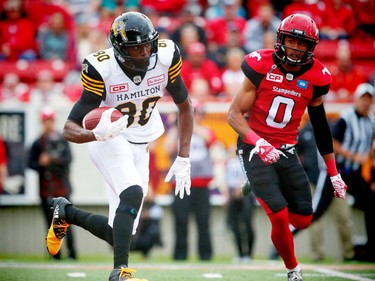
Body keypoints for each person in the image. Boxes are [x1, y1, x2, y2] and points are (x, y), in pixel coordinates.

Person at [45, 11, 193, 281]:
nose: (145, 51)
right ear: (120, 49)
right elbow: (69, 128)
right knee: (133, 193)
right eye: (136, 47)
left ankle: (66, 212)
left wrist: (184, 157)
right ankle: (120, 272)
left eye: (147, 44)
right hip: (109, 138)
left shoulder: (166, 56)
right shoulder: (102, 68)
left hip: (141, 141)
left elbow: (185, 105)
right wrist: (96, 134)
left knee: (121, 232)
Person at [227, 14, 347, 281]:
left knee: (303, 219)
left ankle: (256, 184)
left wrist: (333, 172)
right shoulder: (260, 64)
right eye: (291, 40)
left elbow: (320, 127)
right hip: (255, 147)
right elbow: (233, 114)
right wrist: (258, 142)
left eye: (302, 43)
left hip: (287, 148)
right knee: (279, 214)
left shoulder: (317, 76)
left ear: (311, 47)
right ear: (281, 39)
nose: (295, 47)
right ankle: (293, 269)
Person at [164, 101, 215, 261]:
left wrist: (189, 123)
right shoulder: (175, 132)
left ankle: (205, 255)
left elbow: (211, 140)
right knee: (180, 221)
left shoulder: (205, 130)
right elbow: (166, 149)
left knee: (203, 222)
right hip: (180, 184)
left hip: (201, 185)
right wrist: (175, 126)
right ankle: (180, 255)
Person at [28, 106, 77, 260]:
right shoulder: (37, 143)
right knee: (50, 224)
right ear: (42, 122)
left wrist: (53, 160)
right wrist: (41, 163)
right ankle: (55, 254)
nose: (48, 124)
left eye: (50, 120)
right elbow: (30, 163)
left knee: (66, 222)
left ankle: (72, 253)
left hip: (62, 189)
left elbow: (69, 160)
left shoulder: (62, 141)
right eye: (45, 121)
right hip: (45, 190)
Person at [225, 146, 255, 263]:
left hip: (246, 194)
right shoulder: (228, 163)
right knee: (233, 225)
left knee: (247, 224)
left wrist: (240, 188)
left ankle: (249, 254)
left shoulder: (246, 161)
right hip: (233, 195)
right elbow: (227, 179)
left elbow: (249, 176)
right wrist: (227, 194)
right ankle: (240, 253)